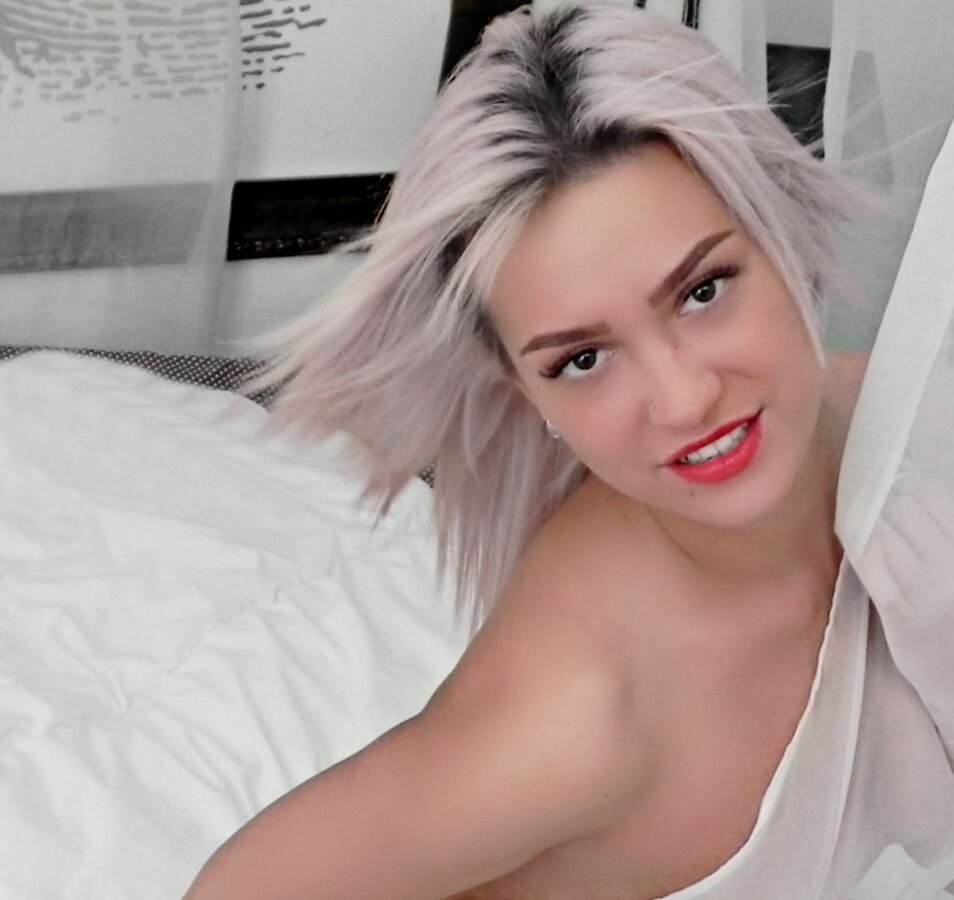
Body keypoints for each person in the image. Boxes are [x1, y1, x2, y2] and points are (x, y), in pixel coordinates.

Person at [184, 3, 866, 897]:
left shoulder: (904, 432)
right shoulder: (575, 722)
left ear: (782, 238)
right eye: (582, 359)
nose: (684, 398)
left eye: (703, 290)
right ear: (524, 391)